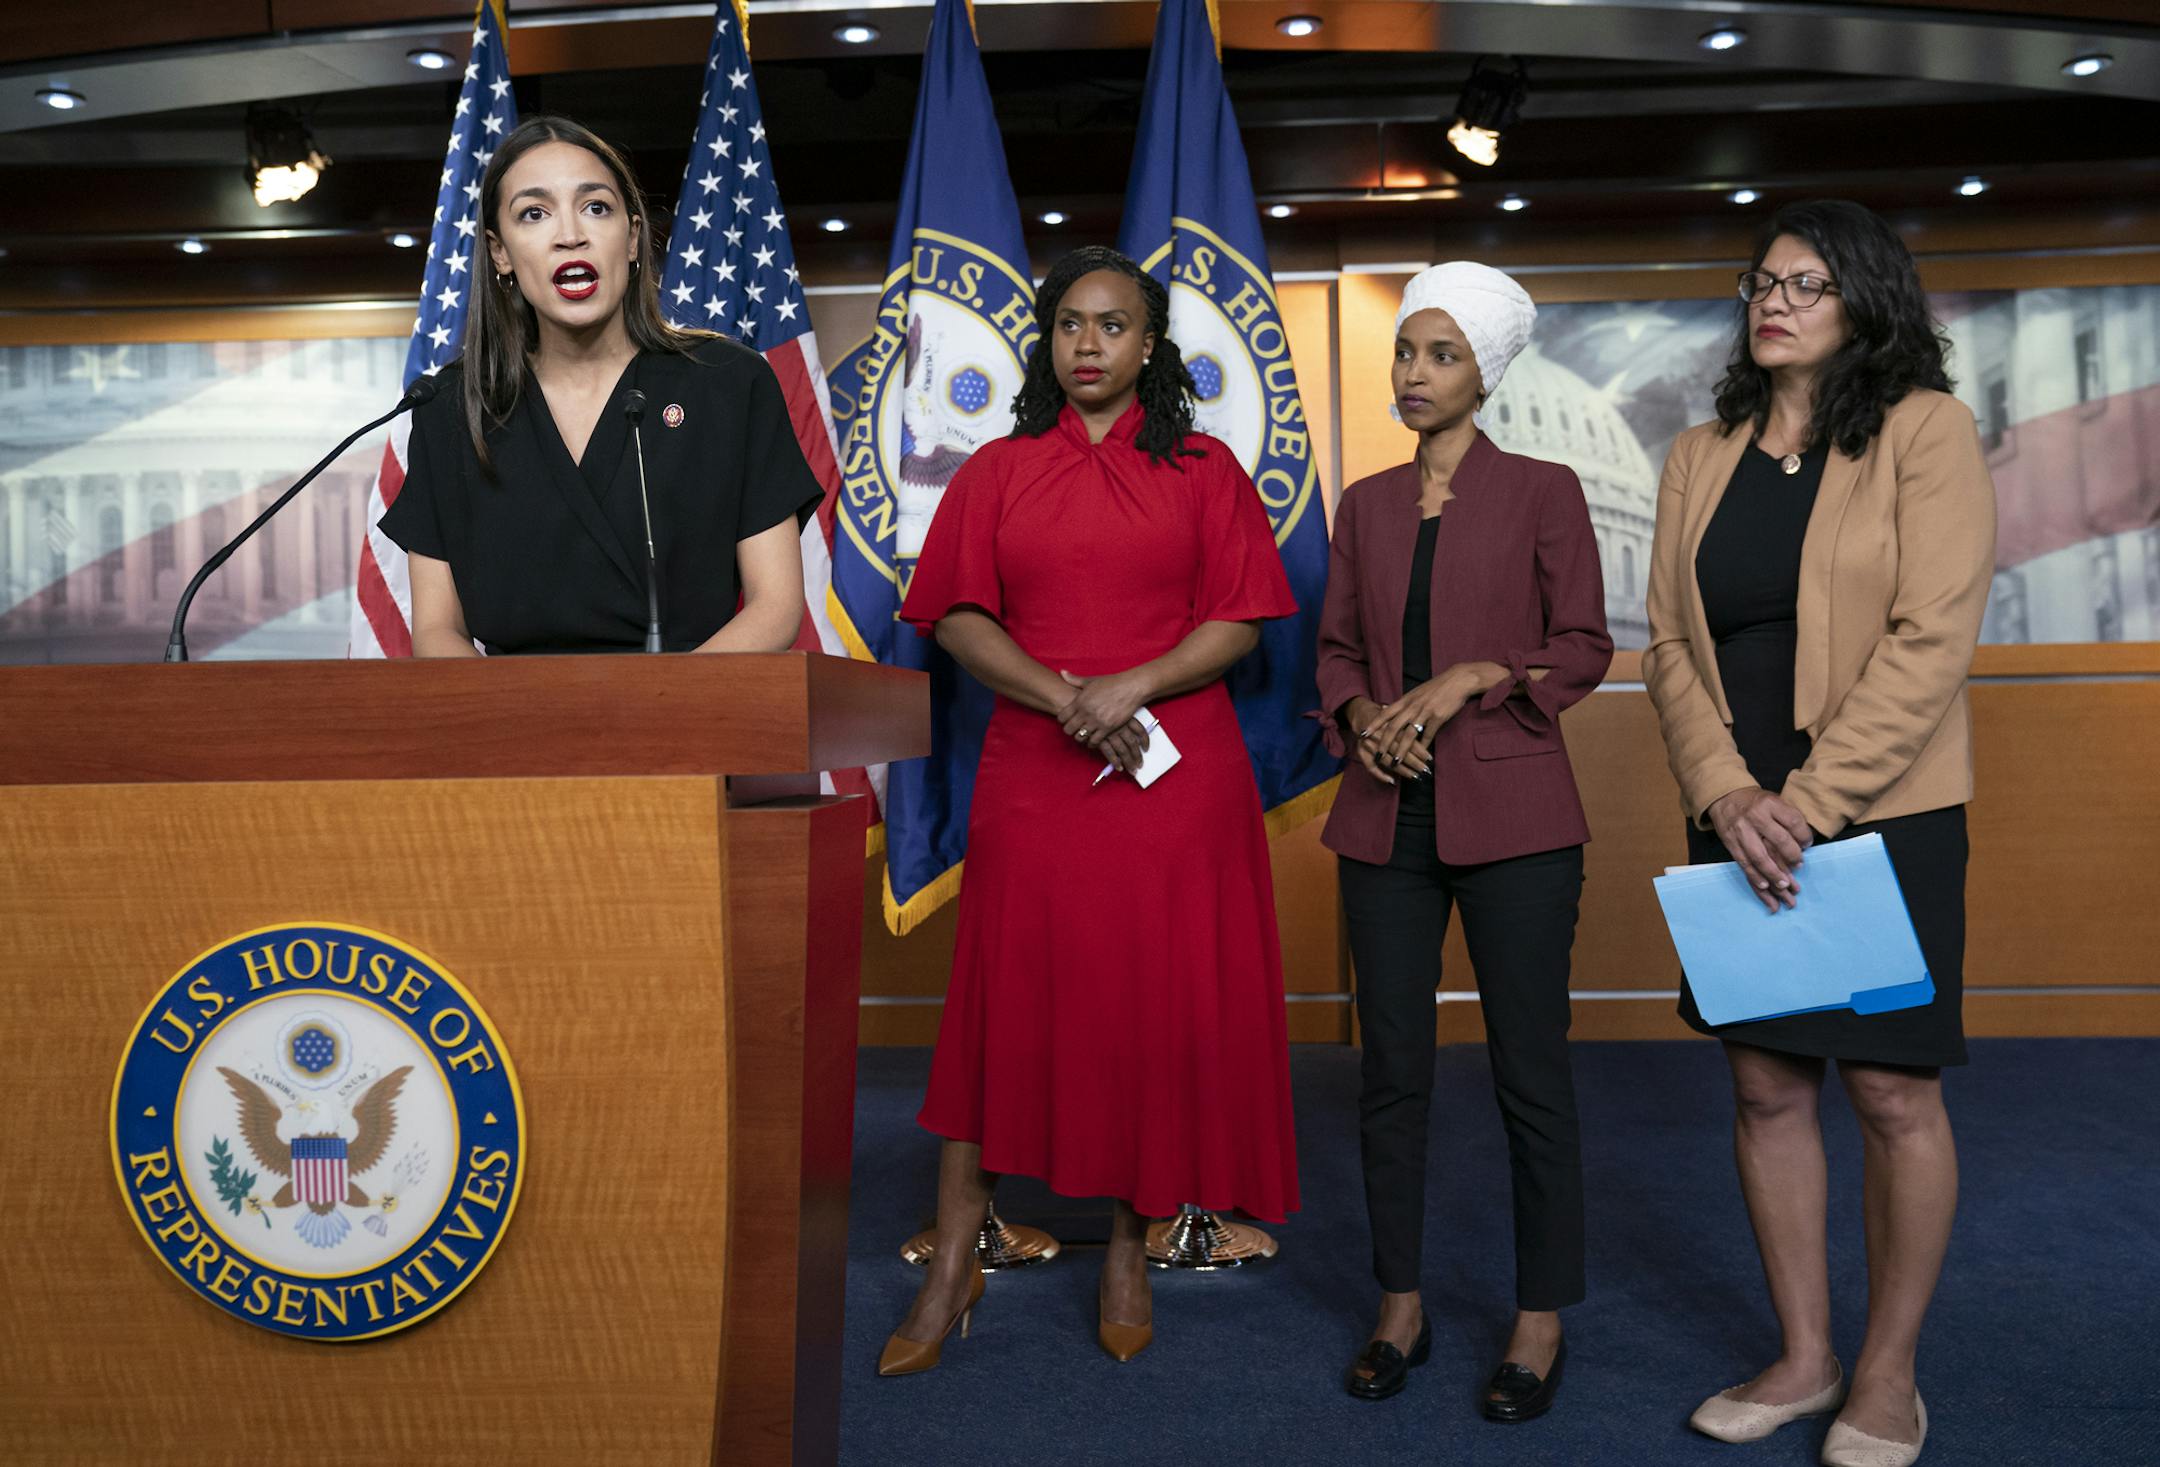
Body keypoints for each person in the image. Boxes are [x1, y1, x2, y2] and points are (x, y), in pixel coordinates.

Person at [877, 246, 1301, 1375]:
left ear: (1149, 346)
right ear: (1048, 341)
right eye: (1070, 324)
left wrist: (1132, 686)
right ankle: (958, 1254)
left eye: (1112, 326)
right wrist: (1069, 697)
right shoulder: (998, 471)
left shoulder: (1206, 469)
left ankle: (1126, 1242)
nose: (1088, 344)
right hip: (1038, 765)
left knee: (1147, 1008)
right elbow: (955, 616)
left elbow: (1243, 619)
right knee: (1004, 1001)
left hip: (1174, 773)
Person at [1643, 200, 1994, 1467]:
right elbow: (1674, 643)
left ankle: (1888, 1376)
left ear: (1865, 301)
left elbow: (1932, 638)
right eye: (1762, 281)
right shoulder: (1699, 452)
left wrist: (1810, 801)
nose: (1774, 299)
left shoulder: (1924, 431)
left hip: (1878, 811)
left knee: (1894, 1094)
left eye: (1806, 282)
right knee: (1763, 1081)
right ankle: (1805, 1355)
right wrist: (1729, 792)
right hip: (1736, 816)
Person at [1315, 262, 1612, 1418]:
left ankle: (1540, 1318)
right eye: (1406, 352)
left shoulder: (1544, 489)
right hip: (1385, 816)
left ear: (1485, 372)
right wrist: (1358, 721)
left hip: (1521, 820)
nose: (1414, 373)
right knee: (1390, 1073)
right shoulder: (1365, 506)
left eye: (1441, 355)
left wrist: (1479, 674)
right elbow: (1336, 652)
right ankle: (1402, 1303)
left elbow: (1581, 645)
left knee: (1530, 1072)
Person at [381, 115, 818, 657]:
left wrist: (661, 715)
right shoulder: (449, 404)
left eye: (596, 207)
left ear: (633, 238)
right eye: (535, 214)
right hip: (511, 728)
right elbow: (437, 630)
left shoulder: (729, 381)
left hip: (690, 720)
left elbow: (776, 607)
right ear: (499, 252)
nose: (570, 235)